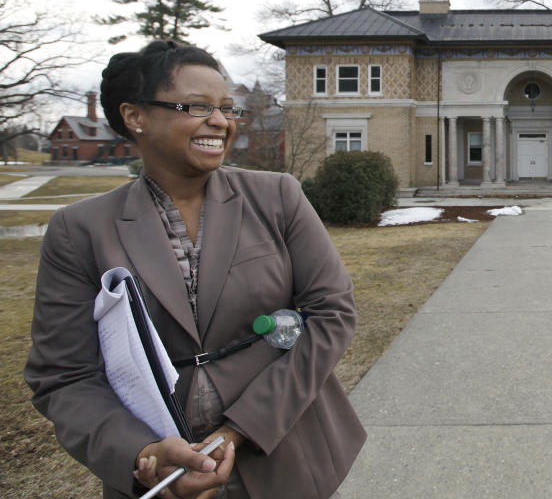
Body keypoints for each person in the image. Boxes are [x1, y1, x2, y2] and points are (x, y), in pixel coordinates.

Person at [25, 40, 365, 499]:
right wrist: (141, 453)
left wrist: (240, 428)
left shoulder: (276, 198)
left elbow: (333, 314)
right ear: (135, 116)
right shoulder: (80, 230)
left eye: (227, 108)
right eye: (197, 106)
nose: (221, 122)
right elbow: (64, 376)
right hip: (164, 474)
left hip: (286, 452)